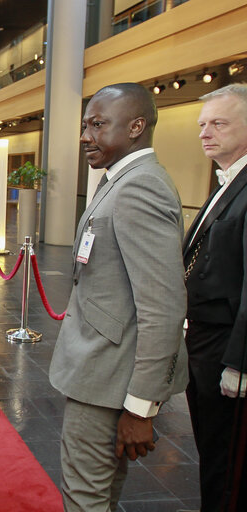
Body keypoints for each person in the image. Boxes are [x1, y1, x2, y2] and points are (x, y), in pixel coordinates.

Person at [49, 83, 188, 511]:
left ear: (136, 127)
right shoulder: (121, 179)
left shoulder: (139, 187)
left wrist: (141, 407)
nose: (85, 136)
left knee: (86, 496)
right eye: (85, 125)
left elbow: (163, 307)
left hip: (109, 380)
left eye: (97, 124)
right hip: (101, 372)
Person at [184, 83, 247, 511]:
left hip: (227, 347)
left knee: (227, 462)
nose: (206, 132)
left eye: (219, 123)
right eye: (203, 124)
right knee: (211, 448)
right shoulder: (227, 182)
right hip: (204, 342)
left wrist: (239, 362)